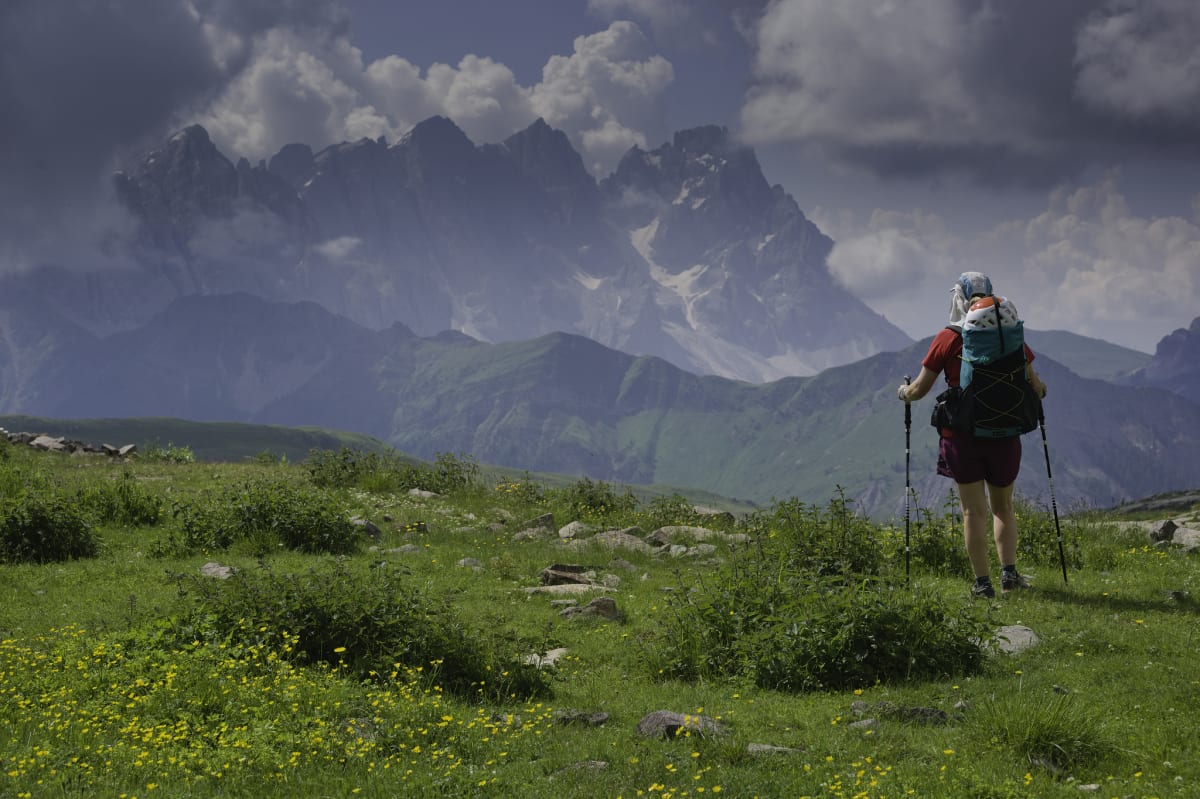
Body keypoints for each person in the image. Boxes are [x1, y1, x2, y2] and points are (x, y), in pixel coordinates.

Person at [897, 272, 1047, 598]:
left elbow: (920, 390)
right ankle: (1010, 577)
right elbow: (1036, 386)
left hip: (962, 437)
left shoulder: (948, 337)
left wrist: (903, 392)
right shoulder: (1010, 337)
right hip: (1005, 434)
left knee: (972, 512)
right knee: (1003, 508)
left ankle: (983, 584)